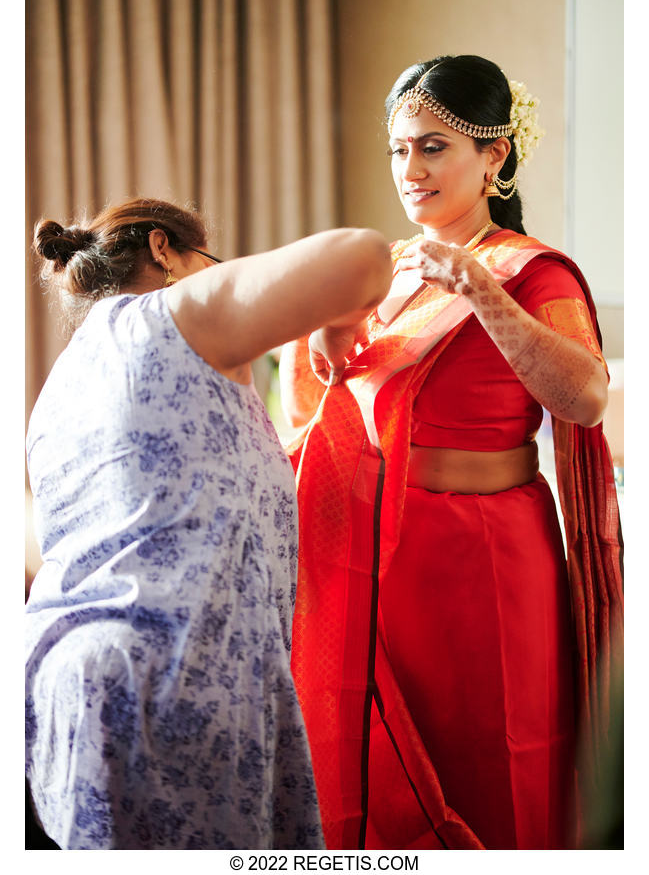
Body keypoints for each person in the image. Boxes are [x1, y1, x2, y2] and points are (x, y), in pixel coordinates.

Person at [279, 55, 624, 850]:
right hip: (379, 555)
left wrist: (479, 288)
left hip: (486, 562)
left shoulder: (531, 272)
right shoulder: (386, 271)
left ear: (493, 155)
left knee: (492, 761)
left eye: (434, 147)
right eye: (399, 149)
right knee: (389, 762)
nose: (410, 169)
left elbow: (582, 397)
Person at [25, 197, 392, 850]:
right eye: (210, 263)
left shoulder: (61, 387)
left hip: (70, 695)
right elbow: (364, 256)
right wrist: (336, 321)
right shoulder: (173, 313)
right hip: (175, 689)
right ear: (163, 250)